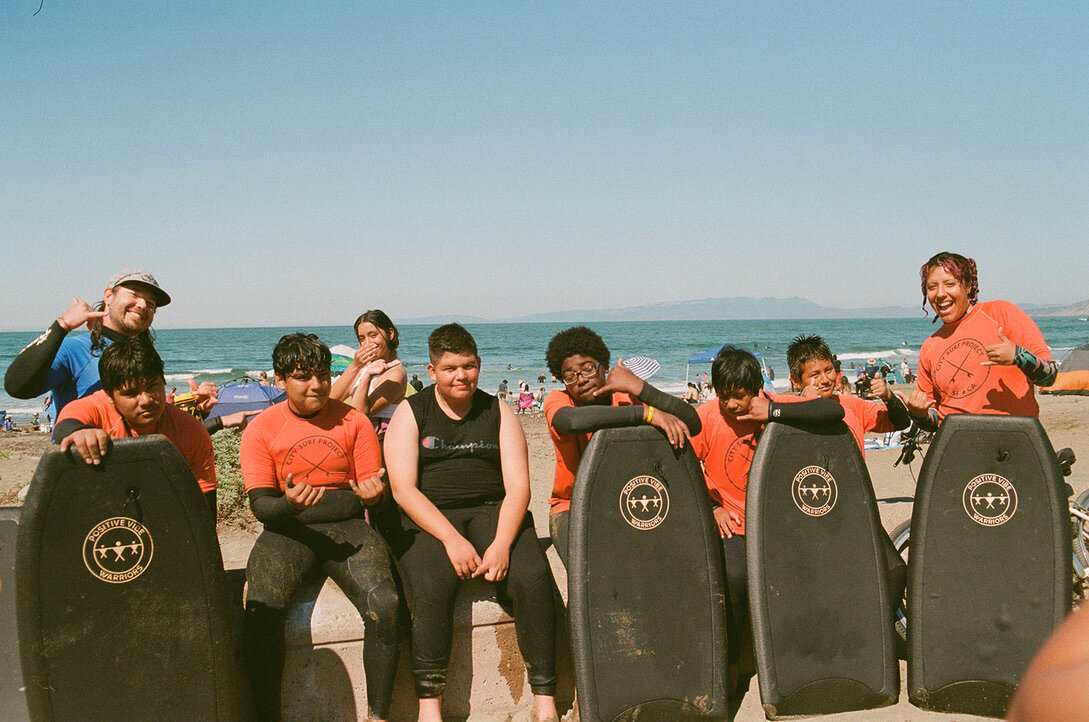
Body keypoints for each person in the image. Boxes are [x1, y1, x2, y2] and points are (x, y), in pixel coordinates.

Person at [384, 324, 559, 722]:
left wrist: (500, 544)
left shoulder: (498, 410)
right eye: (450, 369)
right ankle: (430, 707)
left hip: (491, 507)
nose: (460, 376)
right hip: (430, 514)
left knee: (532, 577)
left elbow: (518, 488)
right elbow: (403, 490)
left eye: (468, 366)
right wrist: (450, 540)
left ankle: (545, 699)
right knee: (432, 582)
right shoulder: (412, 413)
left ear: (478, 365)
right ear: (432, 371)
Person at [239, 333, 400, 722]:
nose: (317, 385)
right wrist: (289, 503)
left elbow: (370, 488)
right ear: (280, 380)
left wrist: (376, 495)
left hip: (347, 527)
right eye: (302, 377)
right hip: (288, 530)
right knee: (260, 614)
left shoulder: (354, 421)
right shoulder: (261, 429)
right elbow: (262, 507)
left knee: (386, 607)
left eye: (324, 375)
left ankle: (378, 715)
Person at [689, 346, 843, 701]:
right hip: (735, 523)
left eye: (739, 396)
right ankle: (731, 665)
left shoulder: (774, 405)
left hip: (781, 522)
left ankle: (806, 660)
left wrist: (772, 410)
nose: (730, 405)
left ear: (758, 387)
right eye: (723, 395)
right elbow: (683, 462)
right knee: (734, 577)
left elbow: (831, 411)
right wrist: (711, 507)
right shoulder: (708, 417)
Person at [543, 325, 700, 568]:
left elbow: (692, 422)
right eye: (570, 375)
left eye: (587, 368)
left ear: (604, 367)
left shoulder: (626, 398)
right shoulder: (560, 400)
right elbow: (572, 421)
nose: (581, 379)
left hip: (625, 501)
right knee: (591, 579)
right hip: (571, 507)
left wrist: (638, 387)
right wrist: (646, 413)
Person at [786, 334, 911, 633]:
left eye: (828, 370)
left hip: (855, 508)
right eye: (814, 375)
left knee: (895, 572)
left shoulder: (851, 405)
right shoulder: (786, 409)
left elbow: (901, 422)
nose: (824, 379)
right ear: (795, 380)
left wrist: (889, 397)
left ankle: (873, 631)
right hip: (811, 512)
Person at [52, 338, 218, 525]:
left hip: (163, 517)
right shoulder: (96, 407)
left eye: (152, 387)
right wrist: (81, 432)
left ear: (163, 381)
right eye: (131, 393)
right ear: (109, 395)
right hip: (100, 516)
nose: (146, 400)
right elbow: (65, 425)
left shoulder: (190, 429)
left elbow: (205, 506)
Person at [905, 252, 1057, 428]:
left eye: (950, 284)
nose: (940, 294)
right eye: (932, 287)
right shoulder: (929, 347)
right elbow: (933, 420)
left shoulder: (1002, 314)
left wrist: (1019, 356)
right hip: (957, 443)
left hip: (1014, 438)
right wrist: (919, 415)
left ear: (968, 285)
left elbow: (1050, 377)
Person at [5, 270, 170, 417]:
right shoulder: (74, 349)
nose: (143, 305)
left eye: (151, 303)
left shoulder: (147, 355)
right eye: (134, 294)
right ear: (108, 296)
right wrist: (62, 326)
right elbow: (17, 387)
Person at [329, 309, 407, 440]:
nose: (368, 343)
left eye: (373, 335)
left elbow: (359, 414)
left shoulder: (395, 374)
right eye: (362, 338)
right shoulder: (363, 368)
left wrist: (366, 376)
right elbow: (329, 400)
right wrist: (355, 366)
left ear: (390, 333)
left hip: (380, 442)